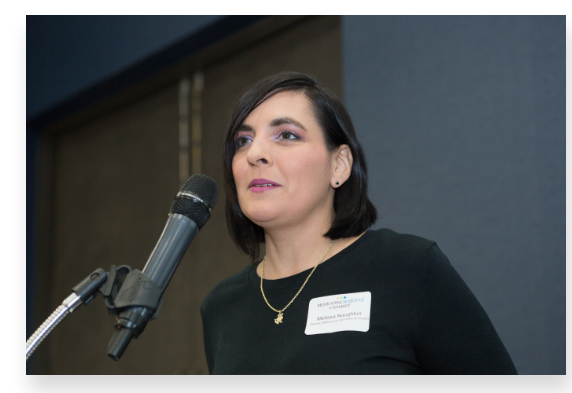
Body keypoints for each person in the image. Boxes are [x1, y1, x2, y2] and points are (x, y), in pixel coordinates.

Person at [201, 72, 517, 375]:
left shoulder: (407, 269)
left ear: (339, 166)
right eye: (243, 141)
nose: (255, 153)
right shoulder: (221, 306)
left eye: (286, 135)